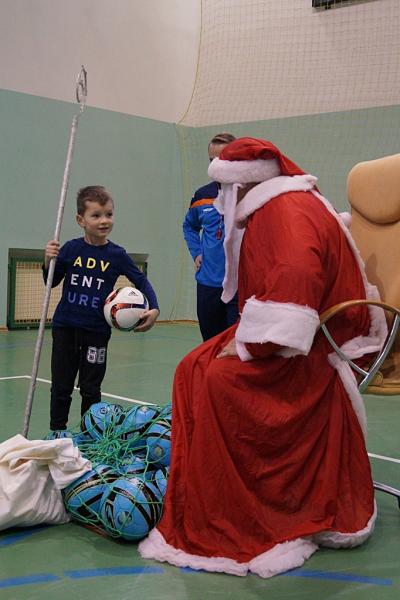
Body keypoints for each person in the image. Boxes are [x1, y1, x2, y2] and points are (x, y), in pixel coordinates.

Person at [139, 138, 387, 578]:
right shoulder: (281, 205)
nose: (220, 202)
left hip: (318, 344)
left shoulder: (283, 215)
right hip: (314, 330)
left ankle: (246, 507)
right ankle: (210, 487)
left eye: (225, 191)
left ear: (243, 185)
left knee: (217, 380)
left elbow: (295, 287)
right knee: (192, 365)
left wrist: (253, 344)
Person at [43, 185, 159, 432]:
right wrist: (48, 261)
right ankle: (57, 432)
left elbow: (141, 281)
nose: (104, 220)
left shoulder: (116, 255)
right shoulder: (71, 249)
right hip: (65, 328)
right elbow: (50, 282)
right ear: (80, 220)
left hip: (96, 332)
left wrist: (155, 309)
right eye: (96, 215)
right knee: (61, 386)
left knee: (91, 388)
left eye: (109, 214)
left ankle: (89, 435)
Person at [183, 132, 239, 340]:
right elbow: (189, 226)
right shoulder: (202, 196)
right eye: (211, 160)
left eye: (222, 159)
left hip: (239, 287)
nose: (216, 165)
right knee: (210, 344)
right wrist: (196, 252)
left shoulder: (249, 194)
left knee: (234, 348)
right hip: (208, 285)